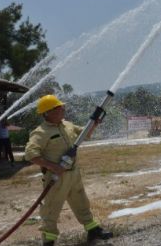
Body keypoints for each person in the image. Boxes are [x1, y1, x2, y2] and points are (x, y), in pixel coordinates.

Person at [24, 95, 113, 246]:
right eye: (59, 108)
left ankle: (92, 230)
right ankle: (49, 241)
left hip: (73, 173)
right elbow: (30, 154)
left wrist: (94, 124)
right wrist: (53, 167)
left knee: (81, 202)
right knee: (51, 209)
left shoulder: (67, 125)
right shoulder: (40, 132)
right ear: (48, 112)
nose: (63, 109)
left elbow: (85, 133)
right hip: (56, 178)